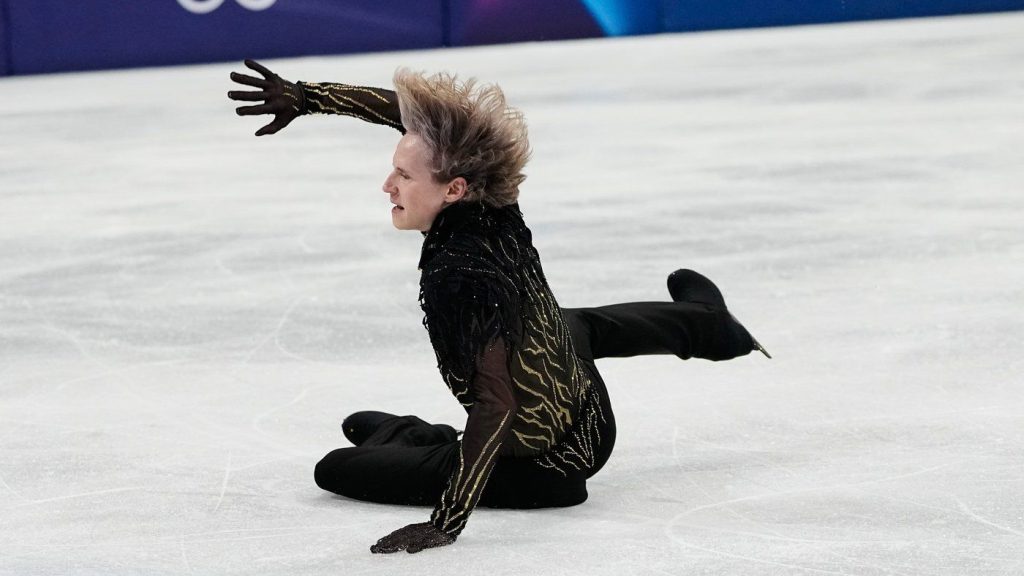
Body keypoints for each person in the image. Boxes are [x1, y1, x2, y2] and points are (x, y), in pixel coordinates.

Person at [228, 60, 769, 554]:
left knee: (339, 468)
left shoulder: (457, 280)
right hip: (590, 419)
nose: (387, 184)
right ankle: (711, 326)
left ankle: (416, 437)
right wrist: (308, 97)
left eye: (405, 177)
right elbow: (415, 119)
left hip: (542, 469)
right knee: (570, 325)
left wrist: (447, 521)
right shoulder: (493, 194)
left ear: (454, 189)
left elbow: (497, 406)